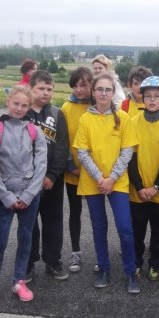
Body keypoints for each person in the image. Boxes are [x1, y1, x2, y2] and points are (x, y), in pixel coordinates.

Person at [73, 73, 140, 294]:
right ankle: (103, 268)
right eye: (99, 89)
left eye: (108, 89)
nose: (103, 93)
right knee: (99, 227)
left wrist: (111, 178)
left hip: (117, 180)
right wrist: (100, 178)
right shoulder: (86, 119)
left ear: (113, 92)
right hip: (93, 180)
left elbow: (127, 151)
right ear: (93, 92)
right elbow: (83, 153)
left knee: (125, 227)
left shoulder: (123, 117)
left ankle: (130, 271)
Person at [0, 85, 48, 303]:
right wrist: (7, 197)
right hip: (3, 197)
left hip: (30, 195)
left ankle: (19, 280)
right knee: (0, 240)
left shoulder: (35, 131)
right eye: (16, 103)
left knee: (25, 238)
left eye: (24, 105)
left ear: (29, 107)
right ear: (8, 102)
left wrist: (29, 195)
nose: (19, 108)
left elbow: (41, 165)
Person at [127, 76, 159, 281]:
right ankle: (136, 262)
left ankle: (155, 264)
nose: (152, 100)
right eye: (148, 96)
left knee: (158, 229)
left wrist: (155, 186)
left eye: (157, 96)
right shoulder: (133, 122)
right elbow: (130, 158)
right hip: (137, 190)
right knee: (137, 229)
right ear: (142, 98)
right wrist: (139, 186)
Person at [26, 70, 70, 282]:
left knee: (53, 221)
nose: (45, 92)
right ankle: (28, 262)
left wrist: (52, 175)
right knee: (29, 223)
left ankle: (53, 261)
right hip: (27, 181)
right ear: (31, 88)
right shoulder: (22, 112)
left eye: (49, 89)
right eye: (41, 88)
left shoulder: (57, 114)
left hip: (52, 181)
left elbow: (62, 147)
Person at [61, 66, 94, 273]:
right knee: (75, 212)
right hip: (73, 172)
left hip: (96, 173)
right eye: (75, 85)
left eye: (83, 85)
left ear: (92, 84)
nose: (79, 89)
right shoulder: (66, 108)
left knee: (98, 214)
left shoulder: (98, 106)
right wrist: (71, 166)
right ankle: (76, 251)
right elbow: (62, 141)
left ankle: (101, 254)